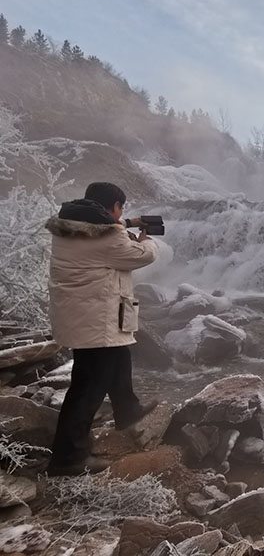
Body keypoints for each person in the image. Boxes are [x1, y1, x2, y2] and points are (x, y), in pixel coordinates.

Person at [45, 182, 159, 476]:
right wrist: (146, 239)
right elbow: (143, 256)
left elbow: (106, 230)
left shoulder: (72, 225)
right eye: (121, 208)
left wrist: (128, 223)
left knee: (120, 357)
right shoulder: (109, 236)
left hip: (85, 313)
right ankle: (69, 459)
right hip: (95, 317)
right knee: (88, 388)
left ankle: (127, 409)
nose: (122, 215)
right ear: (113, 206)